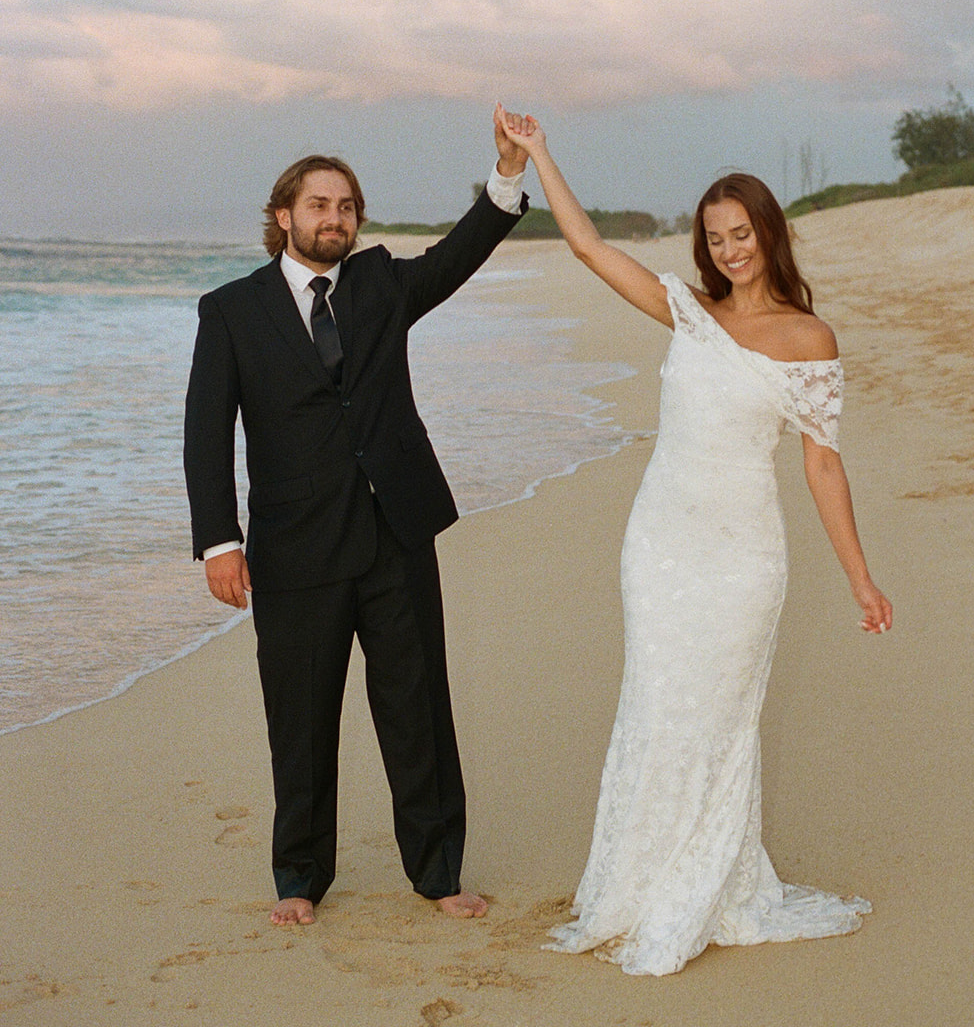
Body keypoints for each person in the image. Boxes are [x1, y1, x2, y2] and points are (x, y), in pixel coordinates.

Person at [497, 109, 892, 977]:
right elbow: (589, 249)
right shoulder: (688, 313)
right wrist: (539, 156)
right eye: (713, 237)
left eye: (740, 233)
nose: (727, 249)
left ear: (767, 234)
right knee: (656, 709)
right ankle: (637, 886)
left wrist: (860, 579)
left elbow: (823, 469)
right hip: (659, 547)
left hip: (744, 558)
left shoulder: (807, 340)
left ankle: (707, 887)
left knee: (716, 719)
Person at [183, 109, 528, 926]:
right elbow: (206, 430)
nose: (332, 218)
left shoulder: (377, 286)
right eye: (316, 205)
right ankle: (299, 877)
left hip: (393, 534)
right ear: (283, 217)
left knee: (417, 710)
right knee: (299, 718)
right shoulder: (230, 310)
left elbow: (454, 257)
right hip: (294, 552)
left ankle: (438, 872)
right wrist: (218, 543)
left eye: (344, 207)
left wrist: (506, 174)